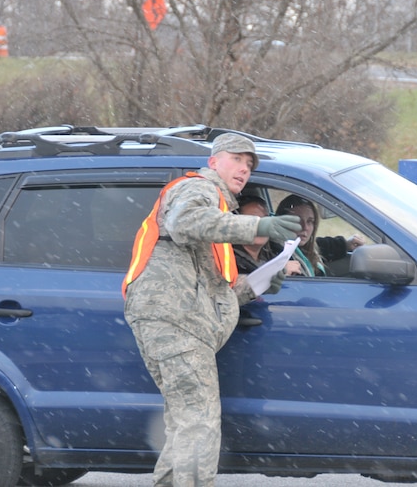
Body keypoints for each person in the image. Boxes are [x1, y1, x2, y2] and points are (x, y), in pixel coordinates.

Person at [122, 133, 300, 487]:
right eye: (237, 159)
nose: (244, 169)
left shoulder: (219, 212)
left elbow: (214, 290)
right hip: (174, 319)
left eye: (249, 165)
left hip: (184, 321)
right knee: (198, 421)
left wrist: (258, 282)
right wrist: (258, 225)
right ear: (214, 161)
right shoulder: (199, 188)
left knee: (188, 422)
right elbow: (185, 222)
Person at [274, 194, 364, 277]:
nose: (305, 227)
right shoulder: (275, 254)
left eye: (310, 221)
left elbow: (320, 244)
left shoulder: (306, 248)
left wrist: (346, 244)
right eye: (297, 220)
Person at [233, 194, 301, 276]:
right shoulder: (230, 260)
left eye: (266, 219)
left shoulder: (274, 252)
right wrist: (279, 270)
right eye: (253, 220)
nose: (263, 225)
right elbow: (244, 285)